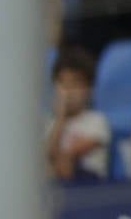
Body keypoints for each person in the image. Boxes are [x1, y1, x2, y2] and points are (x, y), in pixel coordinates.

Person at [46, 46, 110, 182]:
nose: (68, 91)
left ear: (89, 88)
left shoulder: (97, 121)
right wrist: (59, 119)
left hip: (88, 182)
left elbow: (65, 159)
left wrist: (60, 116)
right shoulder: (49, 124)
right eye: (62, 83)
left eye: (75, 83)